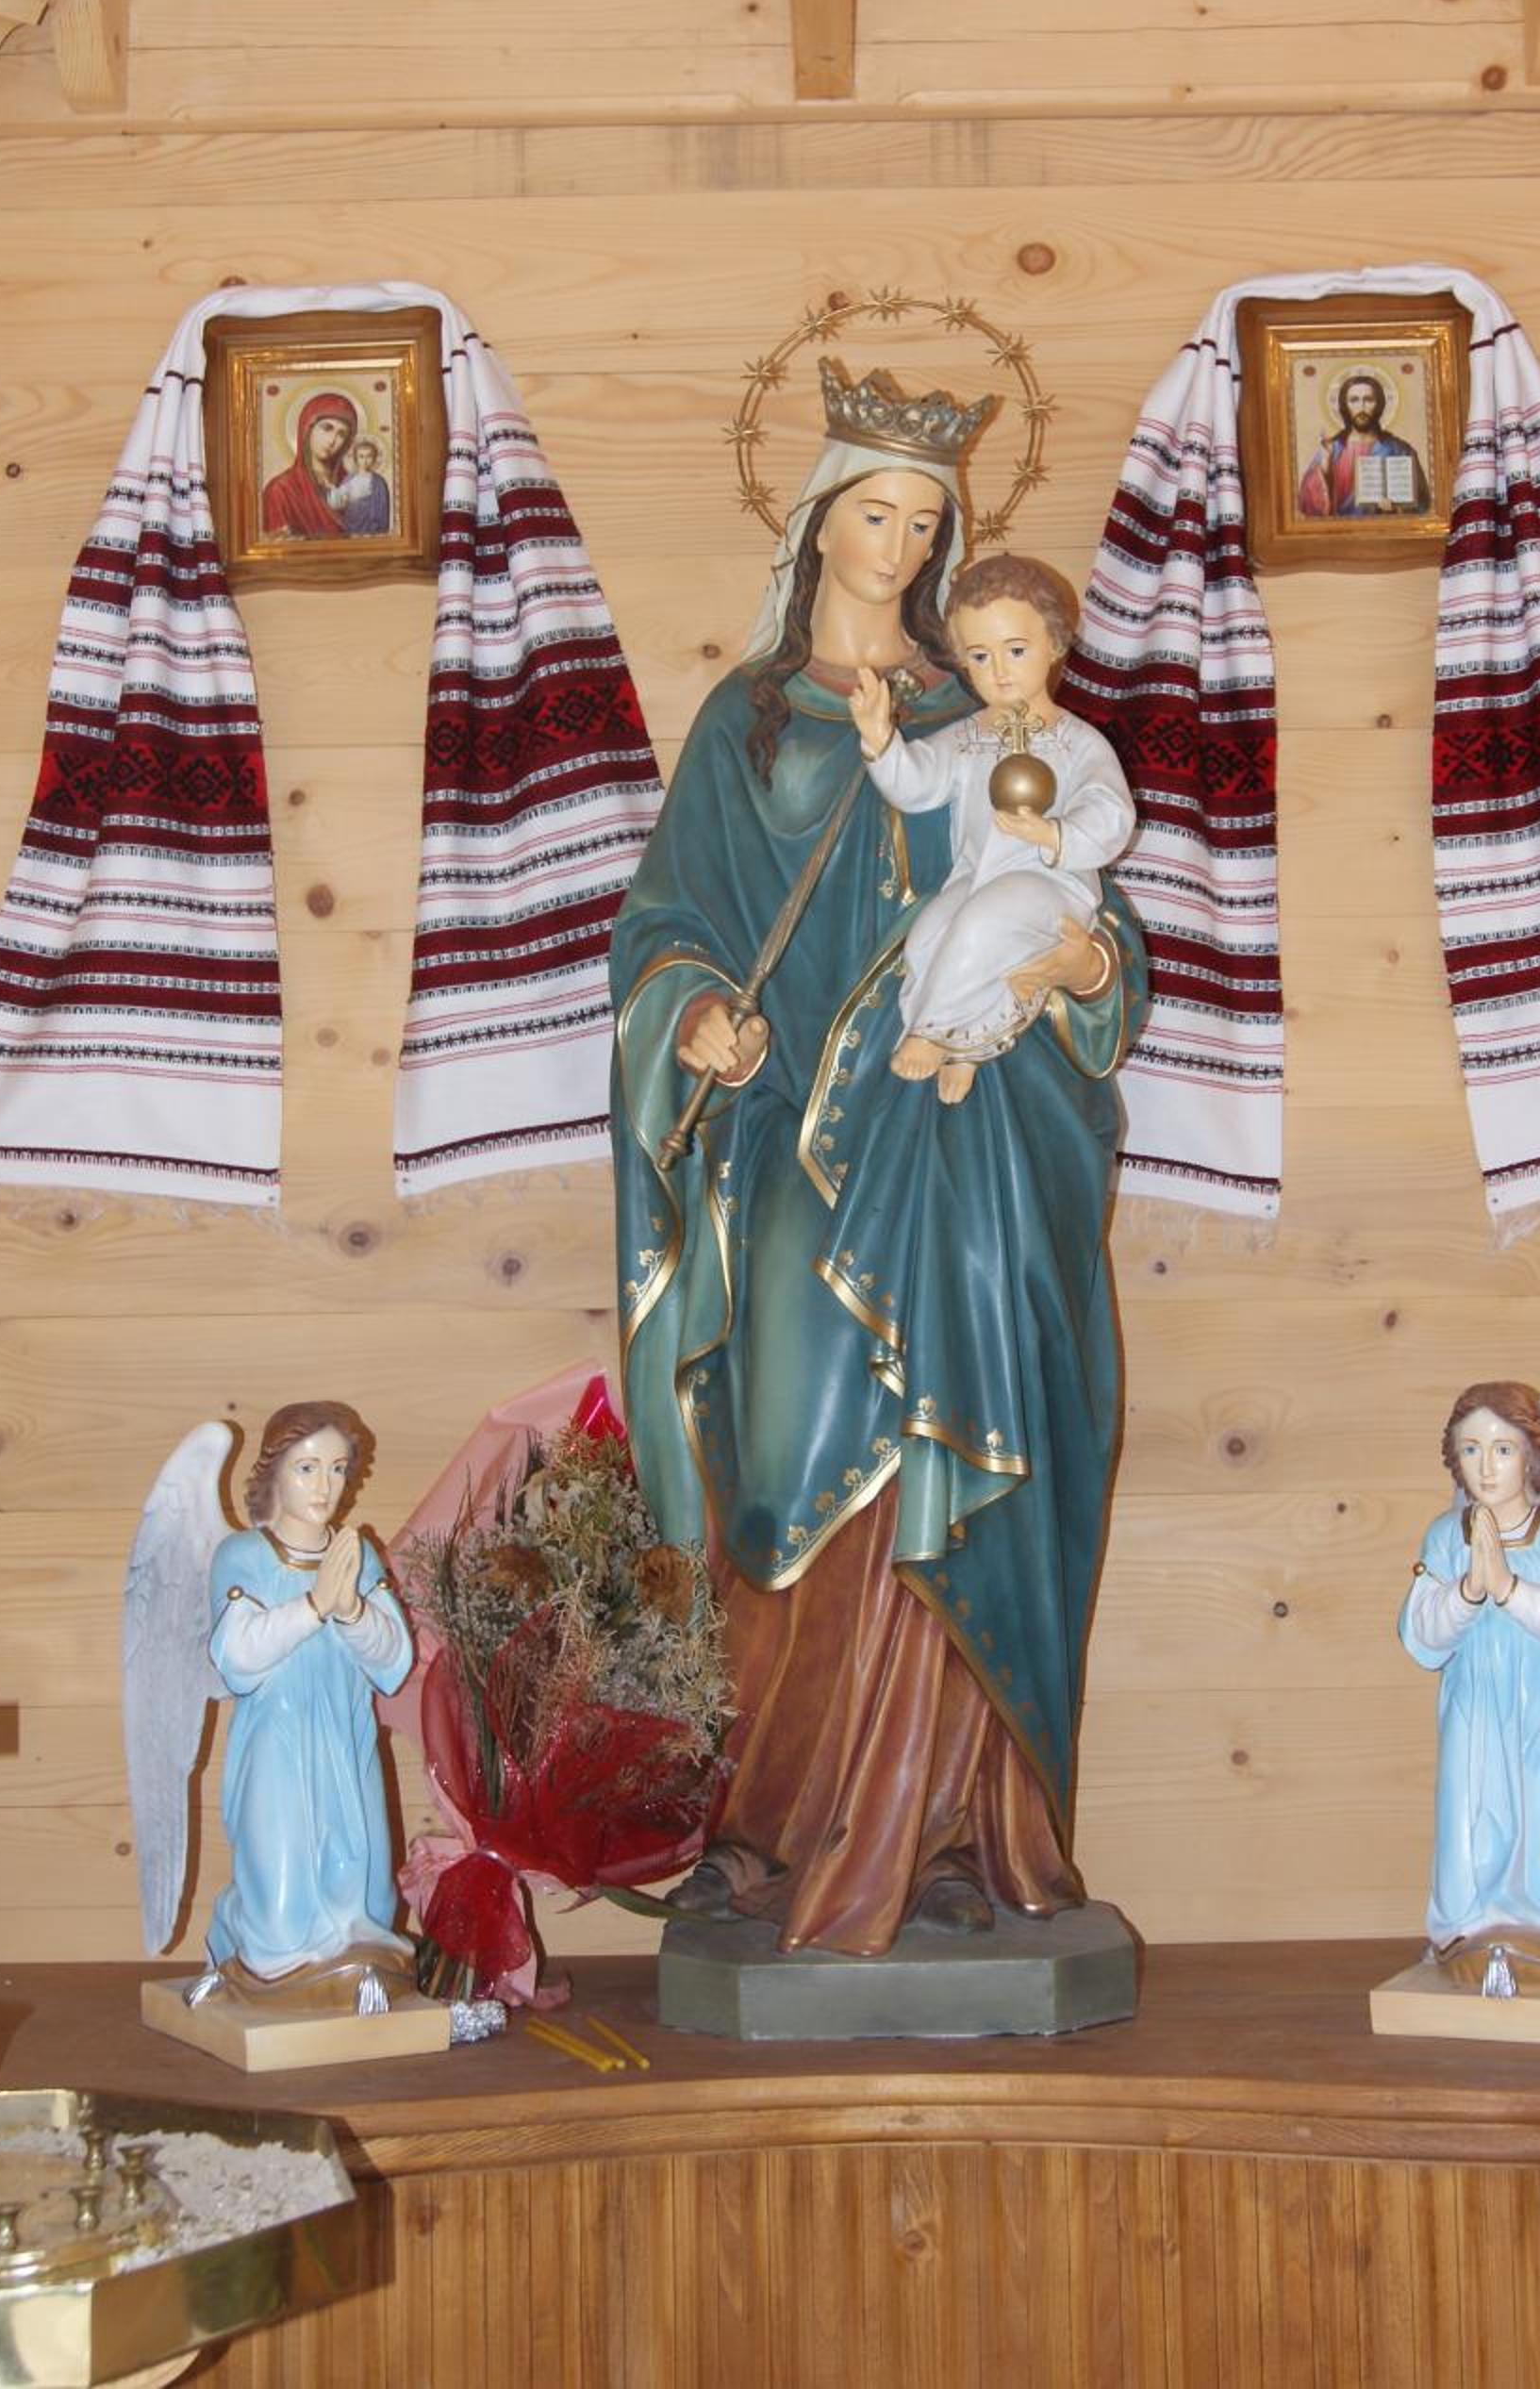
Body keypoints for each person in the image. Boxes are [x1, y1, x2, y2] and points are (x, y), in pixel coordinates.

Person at [610, 360, 1147, 1954]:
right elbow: (667, 919)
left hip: (973, 1136)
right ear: (818, 521)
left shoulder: (993, 705)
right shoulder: (748, 717)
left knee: (969, 1430)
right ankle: (776, 1831)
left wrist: (1088, 970)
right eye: (877, 514)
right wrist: (697, 1014)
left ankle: (957, 1839)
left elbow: (1084, 899)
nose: (902, 544)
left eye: (927, 522)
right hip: (794, 1134)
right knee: (790, 1449)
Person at [851, 552, 1135, 1103]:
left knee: (983, 927)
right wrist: (881, 741)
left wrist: (1055, 837)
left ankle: (933, 1033)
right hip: (977, 876)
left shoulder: (1077, 742)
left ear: (1054, 644)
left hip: (1053, 885)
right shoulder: (969, 737)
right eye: (981, 656)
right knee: (929, 935)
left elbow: (1110, 812)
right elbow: (917, 783)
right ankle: (969, 1046)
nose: (1000, 670)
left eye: (1016, 650)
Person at [1399, 1381, 1540, 1990]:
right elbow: (1420, 1636)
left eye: (1502, 1449)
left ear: (1531, 1455)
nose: (1486, 1466)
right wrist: (1470, 1588)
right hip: (1474, 1718)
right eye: (1470, 1450)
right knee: (1469, 1857)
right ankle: (1472, 1937)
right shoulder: (1445, 1536)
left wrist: (1509, 1587)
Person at [206, 1399, 415, 1990]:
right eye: (307, 1468)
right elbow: (236, 1658)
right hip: (278, 1744)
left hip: (346, 1739)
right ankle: (255, 1953)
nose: (325, 1486)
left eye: (338, 1469)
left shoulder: (357, 1555)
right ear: (275, 1470)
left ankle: (350, 1955)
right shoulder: (244, 1556)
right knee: (279, 1899)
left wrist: (351, 1610)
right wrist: (315, 1605)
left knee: (363, 1885)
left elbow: (393, 1662)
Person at [1297, 372, 1432, 518]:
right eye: (1354, 400)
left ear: (1379, 404)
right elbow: (1306, 504)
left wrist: (1397, 507)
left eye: (1368, 400)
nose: (1361, 407)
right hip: (1339, 530)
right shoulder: (1331, 449)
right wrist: (1324, 469)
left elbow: (1423, 503)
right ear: (1344, 405)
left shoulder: (1400, 450)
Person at [260, 390, 356, 539]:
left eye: (342, 434)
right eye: (327, 428)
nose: (332, 440)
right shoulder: (281, 490)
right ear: (307, 428)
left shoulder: (352, 484)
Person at [336, 435, 394, 537]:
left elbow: (383, 509)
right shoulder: (348, 480)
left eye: (369, 456)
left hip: (373, 528)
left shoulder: (379, 482)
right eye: (361, 456)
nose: (365, 460)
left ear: (374, 458)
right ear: (356, 458)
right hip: (351, 526)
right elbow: (340, 505)